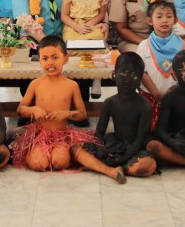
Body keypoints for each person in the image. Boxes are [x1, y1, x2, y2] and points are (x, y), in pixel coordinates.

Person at [13, 36, 126, 183]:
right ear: (39, 60)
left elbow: (82, 114)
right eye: (45, 58)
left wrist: (67, 114)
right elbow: (20, 109)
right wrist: (33, 110)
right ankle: (44, 153)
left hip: (61, 135)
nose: (50, 62)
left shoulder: (72, 85)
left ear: (65, 59)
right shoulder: (35, 84)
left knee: (59, 162)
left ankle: (110, 170)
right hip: (40, 134)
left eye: (55, 57)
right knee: (38, 164)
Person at [83, 52, 157, 177]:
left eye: (134, 75)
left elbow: (140, 138)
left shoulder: (144, 104)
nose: (128, 79)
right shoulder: (109, 103)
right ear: (114, 75)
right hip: (115, 143)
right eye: (123, 73)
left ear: (140, 80)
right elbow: (99, 132)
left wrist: (124, 157)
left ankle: (117, 166)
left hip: (135, 148)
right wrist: (100, 146)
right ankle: (120, 167)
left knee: (147, 164)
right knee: (82, 148)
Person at [135, 0, 185, 131]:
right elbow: (141, 72)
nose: (164, 20)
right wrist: (156, 93)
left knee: (175, 130)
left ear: (175, 20)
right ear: (150, 21)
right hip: (150, 96)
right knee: (151, 131)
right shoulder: (144, 46)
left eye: (169, 16)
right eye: (159, 16)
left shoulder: (183, 44)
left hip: (176, 97)